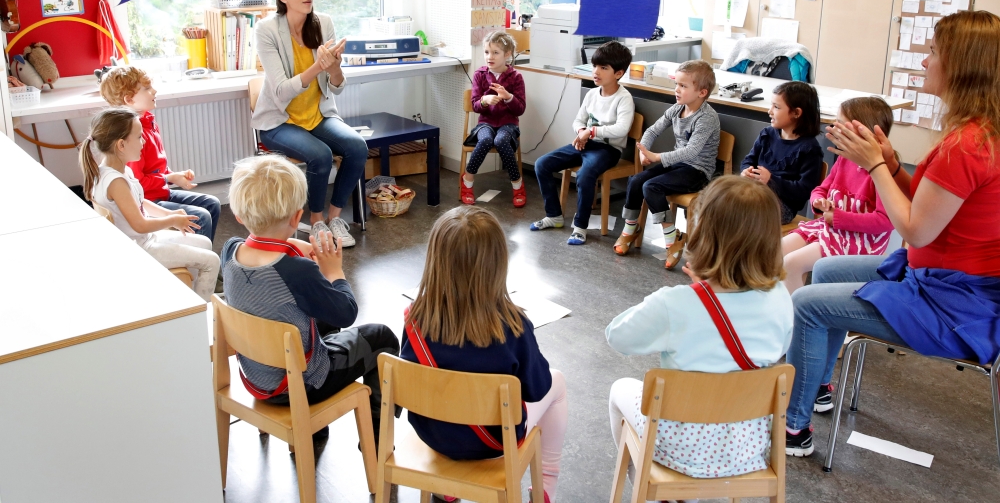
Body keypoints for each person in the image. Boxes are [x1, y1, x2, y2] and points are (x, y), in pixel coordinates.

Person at [785, 10, 1000, 458]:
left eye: (934, 53)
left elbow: (915, 230)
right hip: (948, 276)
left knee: (806, 303)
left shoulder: (965, 146)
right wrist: (893, 166)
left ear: (961, 67)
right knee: (824, 269)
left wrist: (877, 166)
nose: (925, 62)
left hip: (951, 300)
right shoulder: (975, 134)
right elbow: (927, 205)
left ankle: (793, 429)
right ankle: (820, 387)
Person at [606, 176, 793, 479]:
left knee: (619, 390)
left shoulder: (676, 303)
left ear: (703, 234)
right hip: (744, 447)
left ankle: (651, 490)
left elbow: (617, 336)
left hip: (680, 450)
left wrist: (700, 292)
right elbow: (780, 347)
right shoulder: (780, 297)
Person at [222, 155, 399, 440]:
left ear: (239, 215)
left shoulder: (230, 250)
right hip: (299, 386)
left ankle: (316, 431)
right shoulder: (297, 272)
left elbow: (263, 246)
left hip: (256, 377)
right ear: (296, 217)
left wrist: (290, 244)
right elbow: (346, 312)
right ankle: (380, 439)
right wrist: (335, 271)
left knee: (319, 316)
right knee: (381, 337)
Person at [402, 207, 567, 503]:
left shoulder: (414, 319)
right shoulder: (514, 327)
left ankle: (448, 488)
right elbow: (537, 389)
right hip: (492, 442)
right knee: (559, 384)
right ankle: (545, 491)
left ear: (435, 261)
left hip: (434, 434)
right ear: (497, 264)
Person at [252, 0, 369, 248]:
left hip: (318, 116)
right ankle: (316, 222)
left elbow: (336, 85)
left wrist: (336, 67)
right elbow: (280, 90)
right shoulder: (267, 30)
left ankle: (335, 218)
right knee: (321, 155)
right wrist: (319, 65)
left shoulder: (323, 23)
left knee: (357, 147)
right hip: (279, 122)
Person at [80, 107, 220, 301]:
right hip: (140, 248)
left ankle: (190, 298)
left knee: (204, 243)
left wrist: (167, 214)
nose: (143, 141)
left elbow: (139, 201)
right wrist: (172, 220)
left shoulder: (114, 170)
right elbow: (140, 225)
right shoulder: (115, 181)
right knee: (212, 261)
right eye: (138, 137)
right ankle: (203, 311)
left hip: (145, 239)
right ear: (121, 144)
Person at [782, 97, 896, 293]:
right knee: (778, 251)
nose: (834, 128)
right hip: (831, 228)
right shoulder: (845, 159)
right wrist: (819, 201)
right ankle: (788, 311)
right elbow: (822, 189)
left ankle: (799, 319)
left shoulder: (884, 170)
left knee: (791, 263)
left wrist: (839, 218)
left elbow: (885, 222)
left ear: (864, 131)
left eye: (841, 124)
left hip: (860, 240)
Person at [99, 65, 221, 242]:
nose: (154, 91)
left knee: (212, 204)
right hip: (149, 200)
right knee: (200, 216)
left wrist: (174, 175)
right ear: (129, 99)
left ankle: (202, 249)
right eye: (147, 89)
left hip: (161, 192)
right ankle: (194, 261)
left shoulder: (148, 122)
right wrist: (170, 179)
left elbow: (157, 167)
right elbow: (139, 183)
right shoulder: (131, 137)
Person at [531, 41, 635, 245]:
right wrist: (581, 132)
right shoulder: (591, 94)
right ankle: (554, 216)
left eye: (603, 68)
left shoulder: (624, 98)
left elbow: (622, 129)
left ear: (618, 73)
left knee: (585, 174)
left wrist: (591, 131)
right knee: (542, 164)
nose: (596, 71)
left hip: (608, 149)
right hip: (584, 143)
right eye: (595, 66)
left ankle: (580, 227)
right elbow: (578, 120)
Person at [614, 59, 719, 256]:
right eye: (676, 84)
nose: (677, 90)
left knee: (651, 187)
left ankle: (672, 239)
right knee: (637, 180)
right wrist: (643, 151)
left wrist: (657, 157)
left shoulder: (707, 118)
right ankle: (631, 228)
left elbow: (692, 151)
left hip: (697, 171)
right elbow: (653, 131)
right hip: (678, 165)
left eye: (683, 86)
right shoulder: (677, 109)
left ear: (702, 93)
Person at [740, 81, 824, 225]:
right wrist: (746, 171)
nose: (770, 111)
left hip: (783, 206)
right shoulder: (767, 134)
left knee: (740, 211)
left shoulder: (810, 149)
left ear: (796, 113)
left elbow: (804, 190)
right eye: (771, 105)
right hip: (755, 194)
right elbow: (749, 160)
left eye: (777, 107)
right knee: (723, 200)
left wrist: (771, 180)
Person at [463, 30, 527, 207]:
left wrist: (508, 97)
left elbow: (520, 109)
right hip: (486, 123)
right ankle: (467, 181)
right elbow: (475, 105)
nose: (489, 57)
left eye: (495, 52)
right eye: (486, 52)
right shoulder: (480, 75)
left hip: (509, 124)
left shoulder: (516, 77)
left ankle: (517, 185)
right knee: (485, 141)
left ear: (507, 55)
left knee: (501, 141)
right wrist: (485, 100)